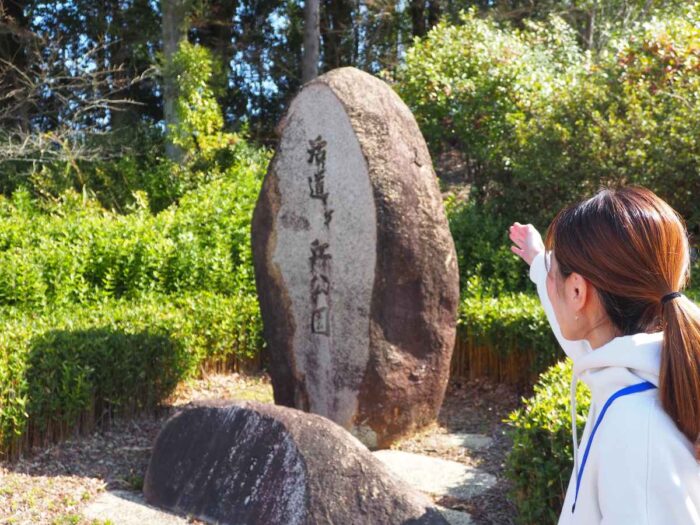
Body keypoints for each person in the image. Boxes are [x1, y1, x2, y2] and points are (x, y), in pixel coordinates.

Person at [508, 186, 700, 524]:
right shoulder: (641, 368)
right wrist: (541, 264)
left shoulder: (636, 429)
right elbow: (583, 341)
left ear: (578, 291)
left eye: (555, 272)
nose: (550, 283)